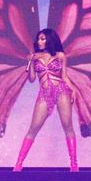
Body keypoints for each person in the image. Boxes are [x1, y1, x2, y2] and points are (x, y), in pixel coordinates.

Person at [13, 28, 79, 172]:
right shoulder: (35, 57)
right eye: (38, 39)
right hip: (44, 93)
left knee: (68, 126)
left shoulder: (61, 56)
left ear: (50, 39)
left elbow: (65, 76)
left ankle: (74, 164)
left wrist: (73, 88)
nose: (39, 41)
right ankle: (18, 164)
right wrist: (29, 62)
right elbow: (31, 79)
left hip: (61, 90)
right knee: (33, 128)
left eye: (42, 38)